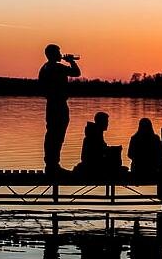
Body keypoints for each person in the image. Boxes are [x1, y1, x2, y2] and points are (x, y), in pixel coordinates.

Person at [39, 44, 81, 175]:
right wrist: (71, 61)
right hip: (59, 104)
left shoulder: (44, 68)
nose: (60, 54)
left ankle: (51, 164)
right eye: (58, 52)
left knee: (52, 134)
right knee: (57, 135)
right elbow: (76, 73)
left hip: (51, 104)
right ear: (52, 54)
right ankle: (53, 166)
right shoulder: (56, 67)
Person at [74, 112, 123, 176]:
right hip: (92, 163)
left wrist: (113, 149)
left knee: (115, 152)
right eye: (106, 121)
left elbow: (101, 149)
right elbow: (99, 151)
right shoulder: (94, 134)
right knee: (115, 154)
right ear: (101, 122)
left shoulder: (96, 132)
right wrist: (114, 150)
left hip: (93, 160)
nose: (107, 124)